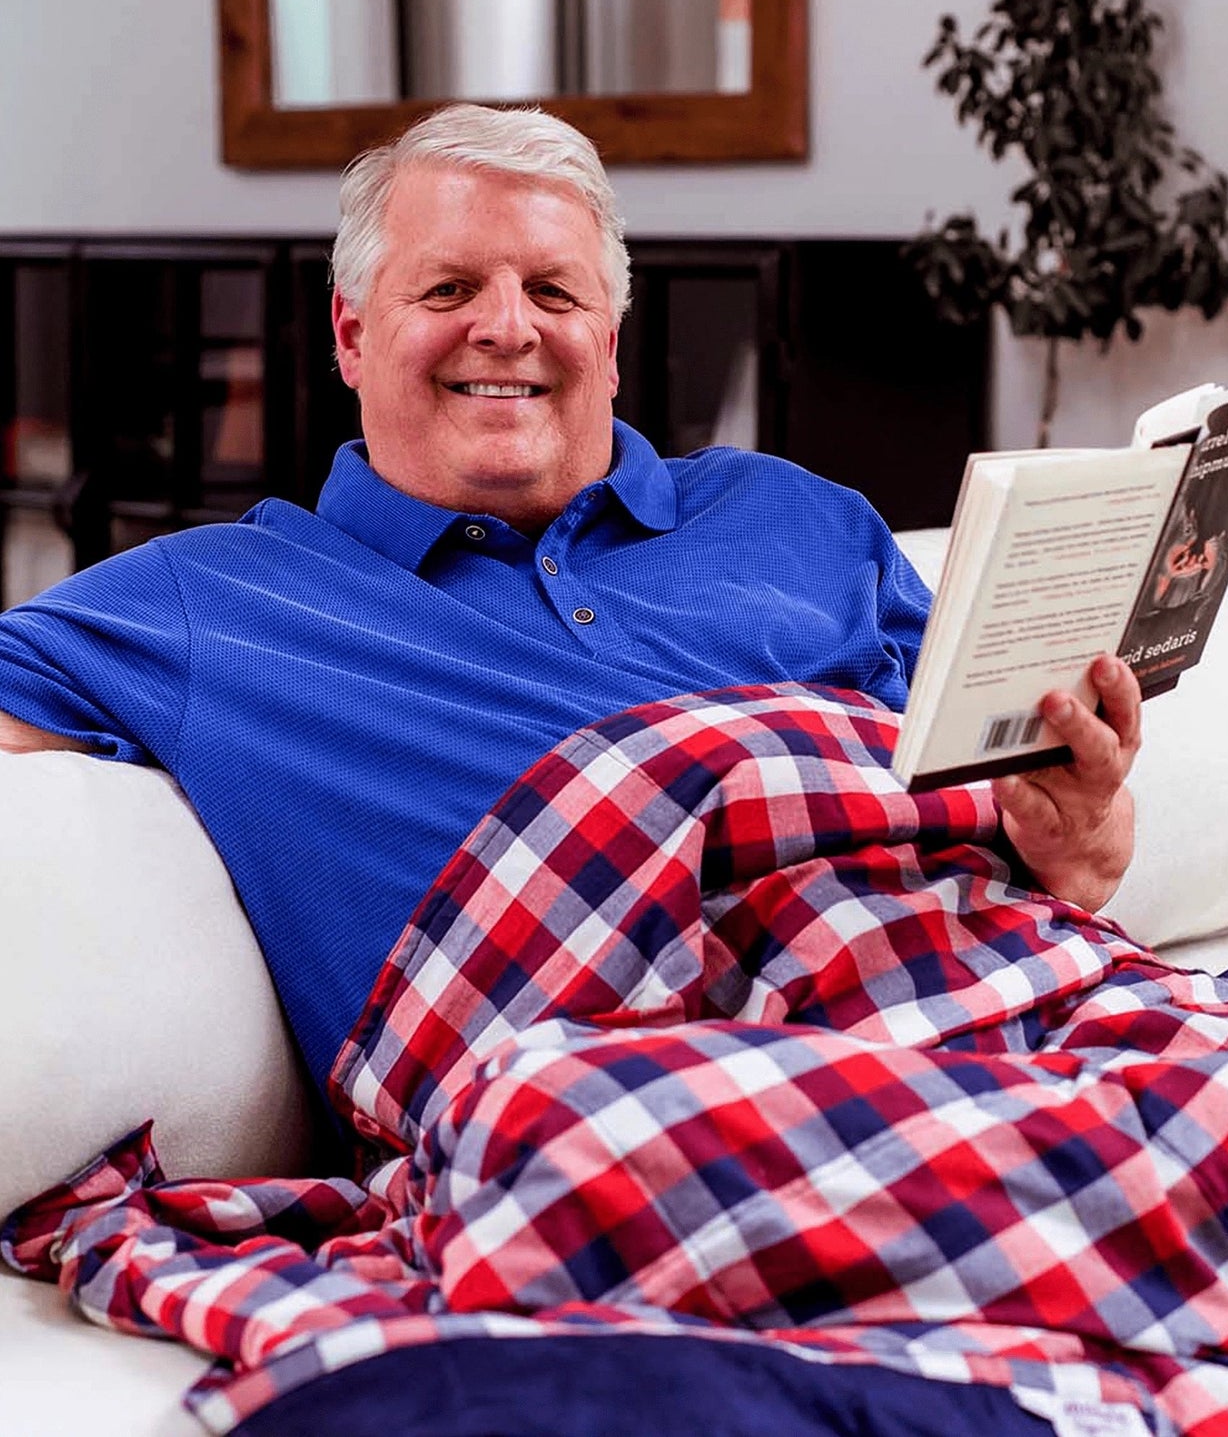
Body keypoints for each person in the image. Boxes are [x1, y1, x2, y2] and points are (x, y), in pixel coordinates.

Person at [0, 104, 1138, 1093]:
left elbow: (1054, 861)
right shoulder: (207, 604)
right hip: (635, 1097)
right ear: (350, 332)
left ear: (608, 338)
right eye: (448, 288)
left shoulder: (799, 515)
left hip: (998, 1017)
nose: (507, 327)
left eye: (553, 289)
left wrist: (1076, 834)